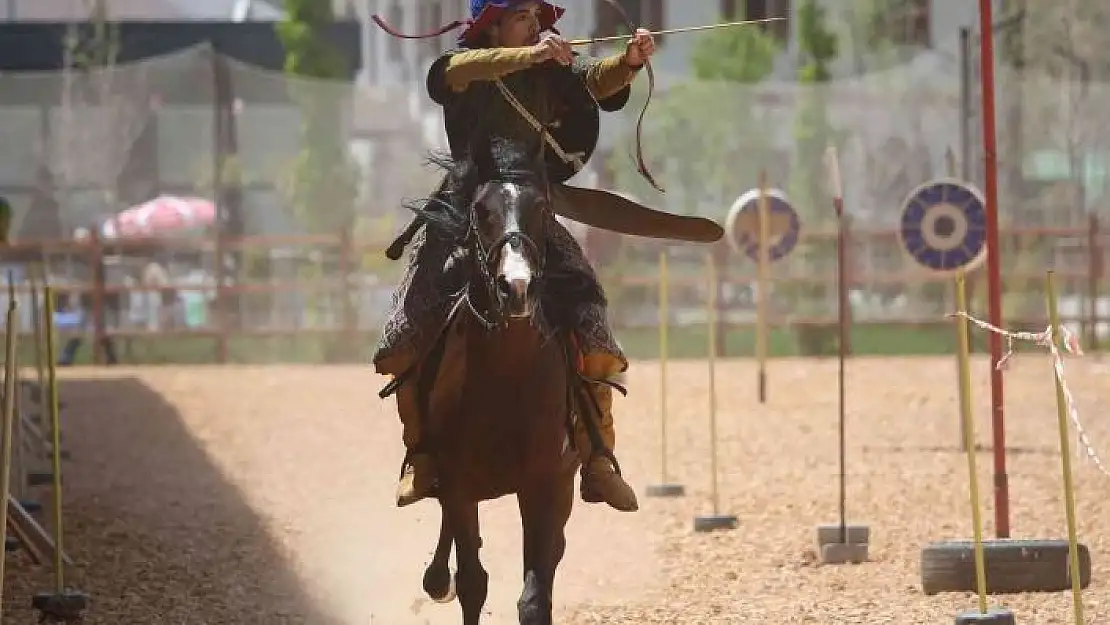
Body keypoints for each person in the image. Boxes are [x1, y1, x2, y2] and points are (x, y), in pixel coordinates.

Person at [372, 0, 656, 513]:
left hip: (531, 212)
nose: (536, 25)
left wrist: (631, 61)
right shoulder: (461, 69)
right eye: (523, 17)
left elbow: (597, 82)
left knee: (590, 315)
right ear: (493, 26)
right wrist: (529, 57)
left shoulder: (550, 68)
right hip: (468, 210)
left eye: (536, 16)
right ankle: (420, 455)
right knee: (406, 326)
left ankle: (597, 457)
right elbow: (454, 72)